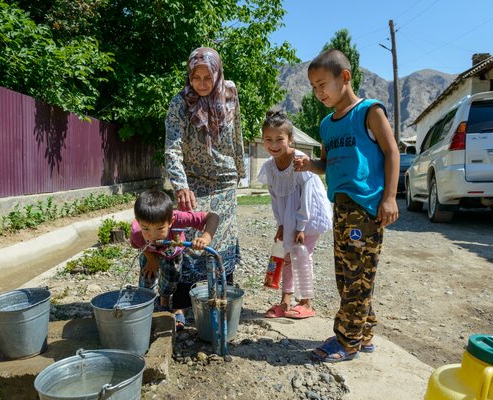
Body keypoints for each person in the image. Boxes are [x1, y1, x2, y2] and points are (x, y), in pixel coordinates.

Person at [294, 49, 399, 362]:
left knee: (356, 276)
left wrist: (390, 197)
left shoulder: (369, 111)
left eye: (323, 83)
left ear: (345, 77)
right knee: (349, 275)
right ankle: (363, 333)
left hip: (366, 208)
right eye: (314, 87)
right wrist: (308, 164)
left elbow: (392, 153)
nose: (319, 92)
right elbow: (327, 164)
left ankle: (347, 340)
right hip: (341, 209)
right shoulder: (326, 124)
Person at [164, 47, 245, 319]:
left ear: (217, 74)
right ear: (189, 76)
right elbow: (173, 147)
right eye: (195, 77)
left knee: (222, 236)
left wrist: (240, 170)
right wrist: (180, 185)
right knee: (192, 239)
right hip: (194, 181)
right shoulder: (180, 103)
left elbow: (237, 134)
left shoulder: (230, 94)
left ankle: (224, 295)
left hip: (224, 179)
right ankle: (183, 299)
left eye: (207, 77)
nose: (201, 83)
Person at [258, 110, 332, 320]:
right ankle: (286, 301)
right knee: (287, 256)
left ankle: (306, 302)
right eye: (268, 139)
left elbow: (307, 197)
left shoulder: (300, 160)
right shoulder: (270, 167)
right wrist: (282, 224)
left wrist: (300, 226)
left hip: (309, 216)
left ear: (290, 139)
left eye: (279, 139)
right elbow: (275, 198)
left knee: (301, 257)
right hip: (290, 217)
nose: (274, 144)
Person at [130, 189, 219, 330]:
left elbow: (212, 217)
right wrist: (151, 259)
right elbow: (140, 246)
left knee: (170, 284)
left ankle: (164, 300)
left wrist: (205, 238)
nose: (152, 235)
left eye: (160, 228)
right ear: (138, 221)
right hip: (150, 254)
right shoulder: (136, 231)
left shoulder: (178, 218)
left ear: (171, 221)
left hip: (173, 255)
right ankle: (146, 313)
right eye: (146, 228)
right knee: (146, 283)